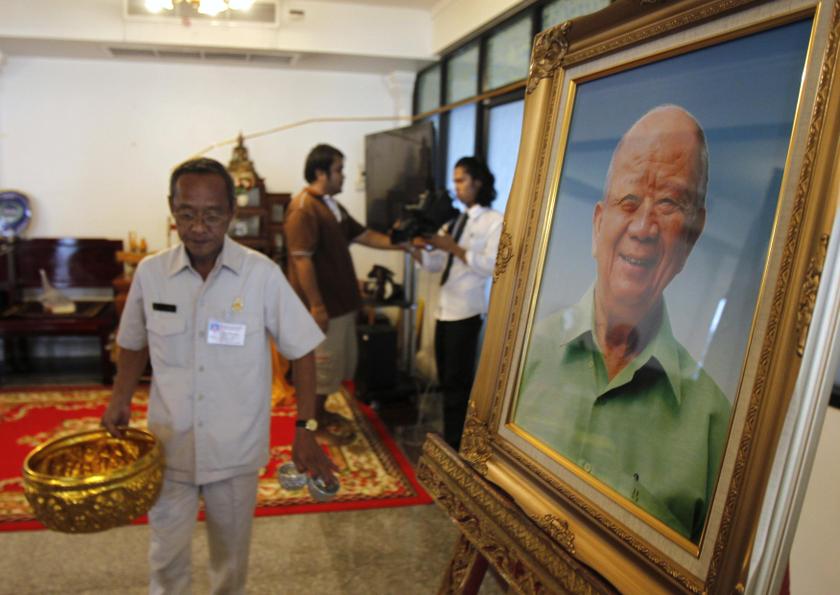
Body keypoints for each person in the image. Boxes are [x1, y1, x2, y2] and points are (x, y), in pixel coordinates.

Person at [101, 158, 336, 595]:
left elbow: (303, 349)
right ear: (172, 210)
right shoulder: (152, 275)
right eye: (186, 213)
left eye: (211, 215)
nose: (198, 227)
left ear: (232, 212)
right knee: (165, 558)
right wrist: (119, 400)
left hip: (235, 451)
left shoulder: (260, 275)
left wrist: (305, 428)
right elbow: (133, 342)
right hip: (168, 447)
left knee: (230, 561)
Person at [515, 105, 730, 542]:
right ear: (598, 224)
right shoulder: (519, 354)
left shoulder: (719, 428)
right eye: (628, 201)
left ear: (693, 234)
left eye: (669, 203)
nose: (643, 227)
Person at [285, 144, 404, 437]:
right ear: (320, 172)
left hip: (341, 305)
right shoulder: (304, 208)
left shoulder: (330, 205)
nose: (344, 176)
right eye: (339, 170)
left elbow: (364, 235)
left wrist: (403, 243)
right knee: (320, 369)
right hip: (324, 307)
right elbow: (302, 260)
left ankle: (320, 413)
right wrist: (317, 306)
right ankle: (310, 426)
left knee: (334, 368)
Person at [413, 156, 504, 450]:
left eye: (460, 180)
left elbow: (492, 265)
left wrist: (453, 247)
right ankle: (449, 434)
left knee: (458, 383)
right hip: (443, 308)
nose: (456, 187)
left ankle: (456, 444)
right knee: (445, 379)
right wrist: (412, 247)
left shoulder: (495, 221)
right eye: (454, 181)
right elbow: (434, 264)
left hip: (466, 311)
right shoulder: (453, 221)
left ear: (478, 182)